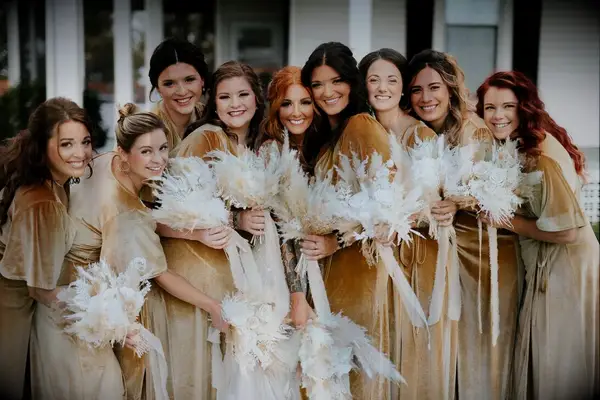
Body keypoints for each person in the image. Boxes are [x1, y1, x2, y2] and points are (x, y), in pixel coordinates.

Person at [477, 70, 599, 400]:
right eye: (489, 108)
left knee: (556, 357)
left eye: (507, 106)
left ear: (524, 107)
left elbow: (568, 232)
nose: (498, 115)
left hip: (564, 266)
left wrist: (504, 221)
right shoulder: (524, 144)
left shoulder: (540, 155)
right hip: (549, 260)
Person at [0, 97, 125, 400]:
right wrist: (104, 311)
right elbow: (41, 290)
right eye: (67, 144)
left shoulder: (57, 180)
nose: (81, 153)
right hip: (13, 311)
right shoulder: (41, 203)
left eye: (84, 142)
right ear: (42, 146)